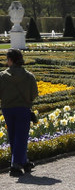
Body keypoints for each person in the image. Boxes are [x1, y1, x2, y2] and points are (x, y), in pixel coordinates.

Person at [1, 49, 38, 177]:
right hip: (23, 108)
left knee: (13, 136)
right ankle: (16, 165)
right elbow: (34, 94)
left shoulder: (2, 76)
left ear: (10, 60)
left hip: (7, 109)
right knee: (21, 137)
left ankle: (23, 161)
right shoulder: (29, 76)